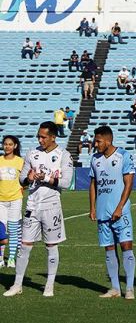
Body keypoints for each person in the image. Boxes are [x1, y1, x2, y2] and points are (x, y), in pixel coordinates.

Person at [4, 122, 73, 298]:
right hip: (32, 206)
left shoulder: (63, 155)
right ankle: (17, 284)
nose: (40, 139)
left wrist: (47, 178)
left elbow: (66, 182)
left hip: (51, 206)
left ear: (53, 137)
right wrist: (29, 178)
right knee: (25, 245)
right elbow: (21, 180)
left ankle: (49, 285)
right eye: (38, 136)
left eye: (43, 137)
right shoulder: (32, 153)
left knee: (51, 245)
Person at [88, 126, 136, 299]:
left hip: (120, 212)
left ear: (108, 140)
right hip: (102, 212)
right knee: (109, 249)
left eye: (98, 141)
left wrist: (120, 207)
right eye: (96, 140)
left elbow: (129, 183)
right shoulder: (95, 159)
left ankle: (129, 288)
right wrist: (92, 207)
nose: (96, 143)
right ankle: (115, 288)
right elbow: (93, 184)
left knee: (126, 246)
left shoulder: (123, 155)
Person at [0, 136, 23, 268]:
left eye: (10, 144)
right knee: (1, 231)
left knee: (13, 230)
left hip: (15, 200)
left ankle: (12, 259)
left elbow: (24, 180)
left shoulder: (20, 161)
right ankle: (1, 258)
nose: (7, 146)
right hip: (1, 201)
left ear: (15, 146)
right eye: (5, 144)